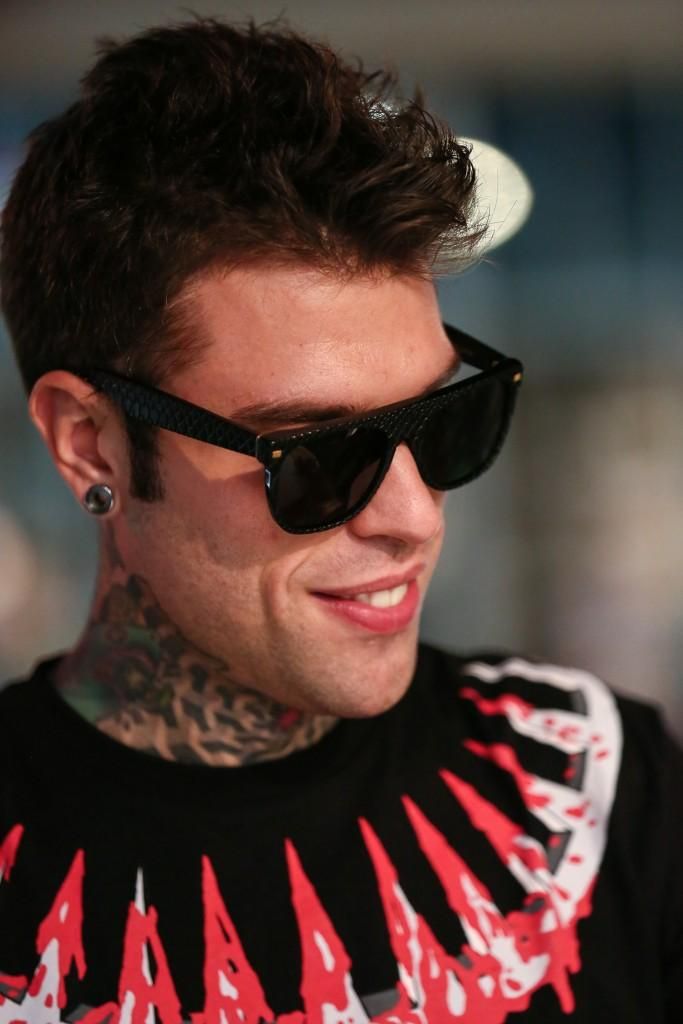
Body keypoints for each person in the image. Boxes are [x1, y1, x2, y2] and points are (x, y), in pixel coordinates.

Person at [0, 18, 680, 1024]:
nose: (413, 517)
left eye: (442, 421)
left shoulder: (598, 788)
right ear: (90, 445)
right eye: (315, 455)